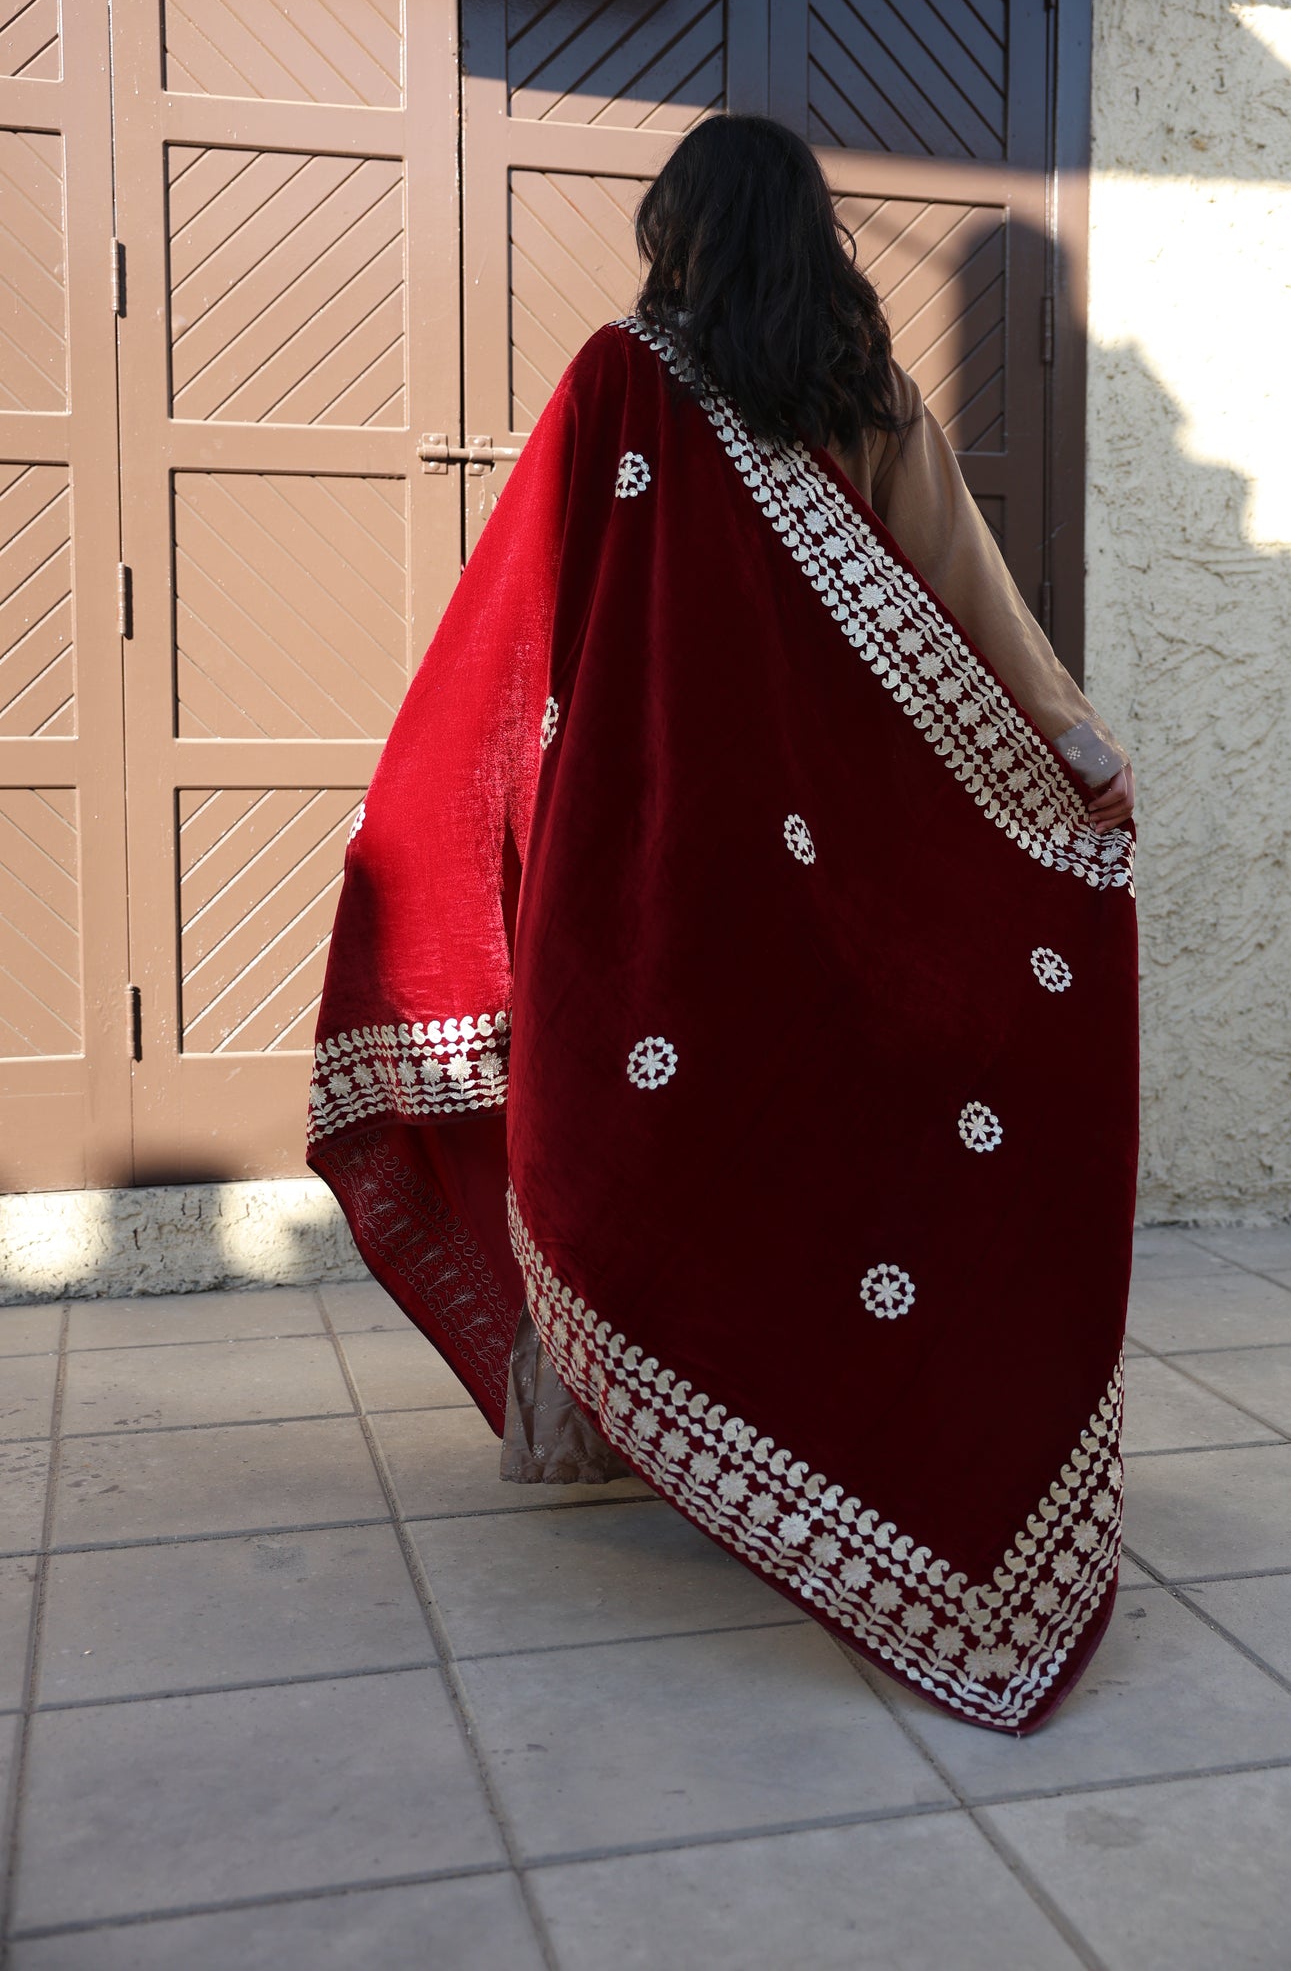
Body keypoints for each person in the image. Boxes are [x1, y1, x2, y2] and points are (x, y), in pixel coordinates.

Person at [308, 115, 1138, 1735]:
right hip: (861, 865)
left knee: (661, 1123)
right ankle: (820, 1438)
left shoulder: (622, 377)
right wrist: (1076, 748)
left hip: (673, 859)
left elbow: (526, 613)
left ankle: (627, 1439)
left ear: (677, 235)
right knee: (840, 1142)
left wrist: (469, 806)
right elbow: (974, 599)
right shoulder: (864, 394)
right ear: (813, 239)